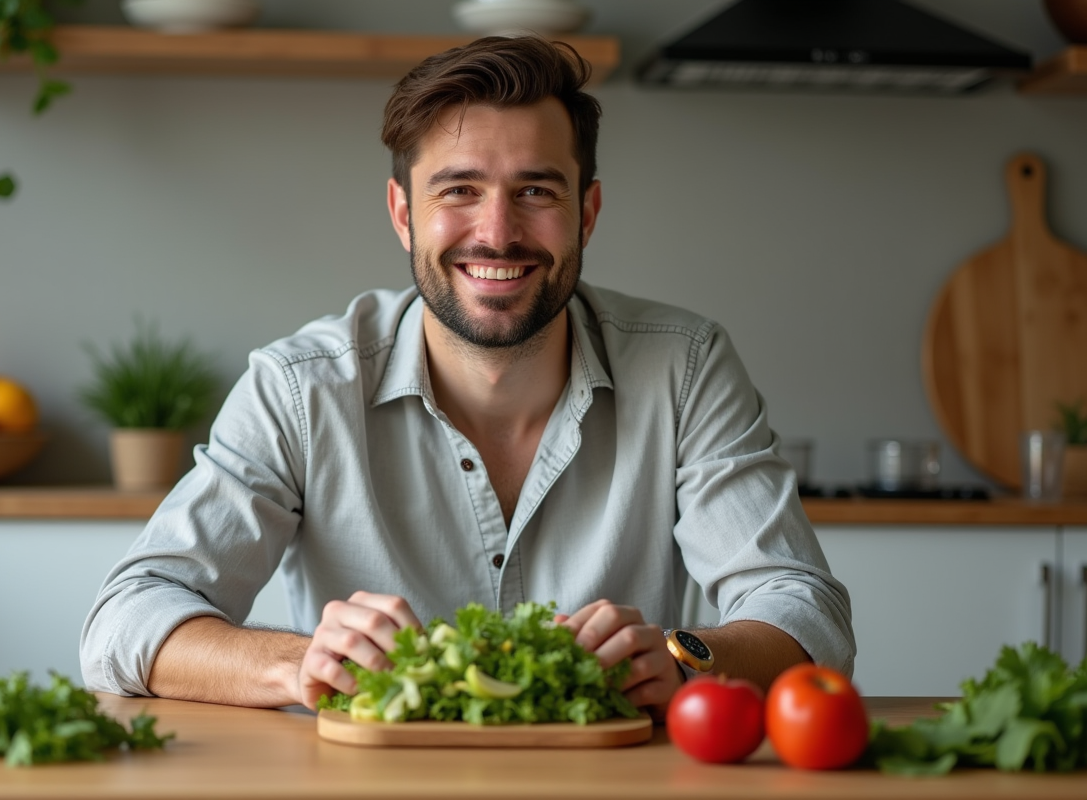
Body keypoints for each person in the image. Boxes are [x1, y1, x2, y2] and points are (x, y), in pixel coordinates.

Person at [80, 36, 854, 719]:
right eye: (459, 190)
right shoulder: (301, 388)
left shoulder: (685, 367)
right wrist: (300, 662)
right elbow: (124, 622)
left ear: (586, 213)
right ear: (402, 213)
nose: (497, 232)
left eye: (536, 191)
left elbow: (805, 612)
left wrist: (683, 660)